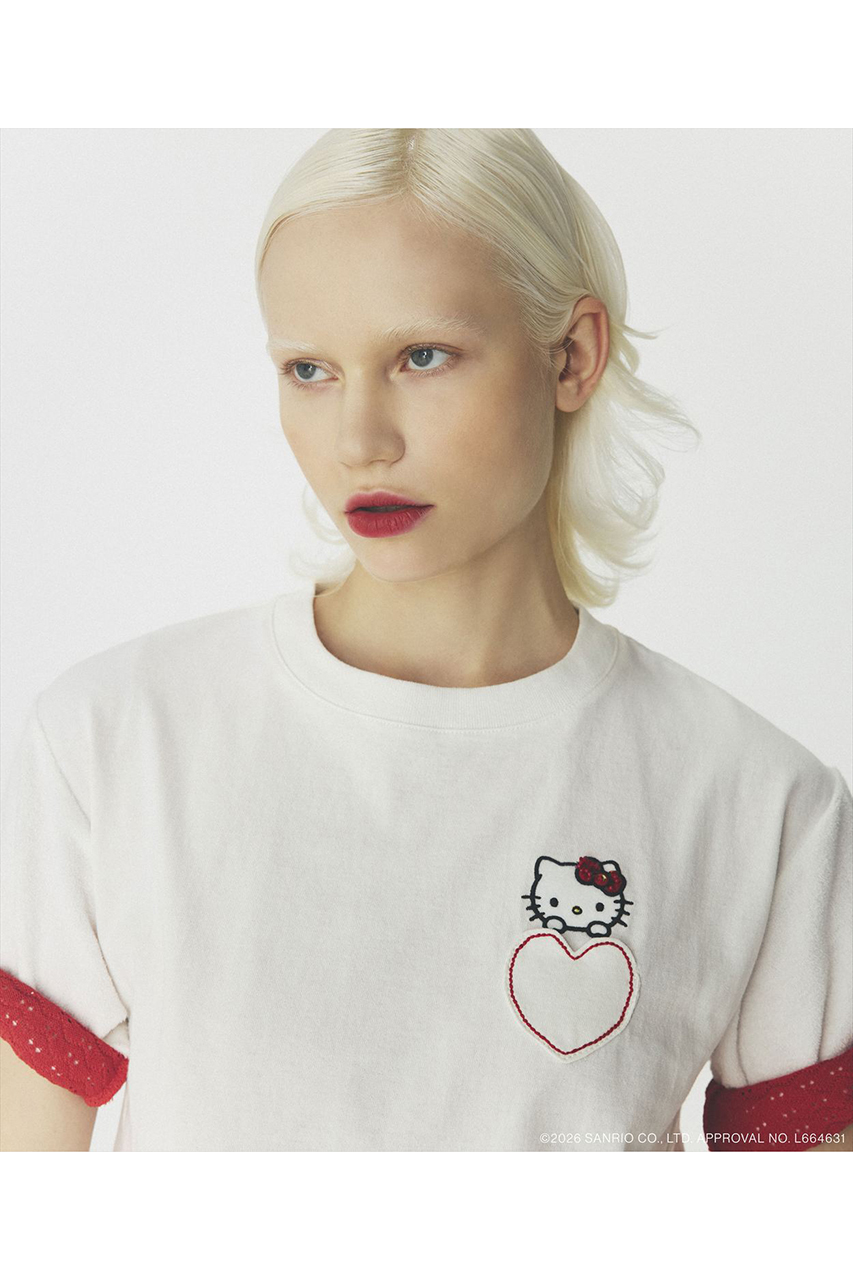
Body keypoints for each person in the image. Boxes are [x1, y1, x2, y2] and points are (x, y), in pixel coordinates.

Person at [1, 128, 851, 1152]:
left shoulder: (761, 801)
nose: (359, 439)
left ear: (571, 356)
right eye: (309, 369)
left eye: (422, 356)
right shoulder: (113, 740)